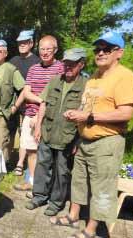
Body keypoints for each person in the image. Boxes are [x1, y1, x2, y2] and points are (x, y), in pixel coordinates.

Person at [50, 32, 133, 238]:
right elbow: (87, 107)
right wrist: (78, 122)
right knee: (78, 181)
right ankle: (73, 216)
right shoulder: (94, 78)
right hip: (86, 140)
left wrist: (88, 117)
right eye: (97, 49)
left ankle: (92, 229)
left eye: (106, 48)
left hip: (107, 142)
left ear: (119, 52)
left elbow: (126, 113)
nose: (100, 53)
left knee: (101, 187)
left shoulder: (125, 77)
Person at [24, 48, 88, 216]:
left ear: (81, 65)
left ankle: (56, 202)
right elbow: (43, 103)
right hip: (48, 131)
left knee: (62, 171)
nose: (68, 67)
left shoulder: (85, 86)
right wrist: (38, 126)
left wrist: (78, 140)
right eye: (66, 63)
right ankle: (39, 196)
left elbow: (86, 115)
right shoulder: (54, 81)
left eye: (72, 64)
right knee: (42, 165)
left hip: (68, 136)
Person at [12, 35, 64, 191]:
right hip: (30, 114)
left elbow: (59, 94)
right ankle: (33, 183)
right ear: (38, 49)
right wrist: (41, 102)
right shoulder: (34, 68)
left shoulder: (61, 68)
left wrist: (41, 113)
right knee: (31, 150)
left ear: (55, 50)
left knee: (49, 154)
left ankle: (48, 187)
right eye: (42, 49)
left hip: (50, 117)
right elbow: (26, 92)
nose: (45, 52)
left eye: (49, 49)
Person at [9, 30, 41, 176]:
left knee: (26, 133)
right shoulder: (13, 61)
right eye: (19, 42)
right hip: (13, 102)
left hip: (30, 103)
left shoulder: (37, 61)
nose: (22, 45)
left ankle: (21, 163)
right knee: (10, 131)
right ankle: (8, 159)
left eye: (25, 42)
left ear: (31, 43)